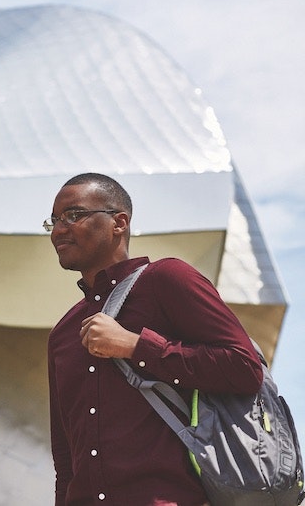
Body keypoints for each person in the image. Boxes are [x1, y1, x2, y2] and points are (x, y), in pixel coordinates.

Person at [46, 172, 263, 506]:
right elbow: (65, 454)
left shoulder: (167, 280)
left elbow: (244, 367)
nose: (60, 230)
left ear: (119, 222)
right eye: (54, 220)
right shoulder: (62, 334)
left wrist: (136, 346)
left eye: (74, 215)